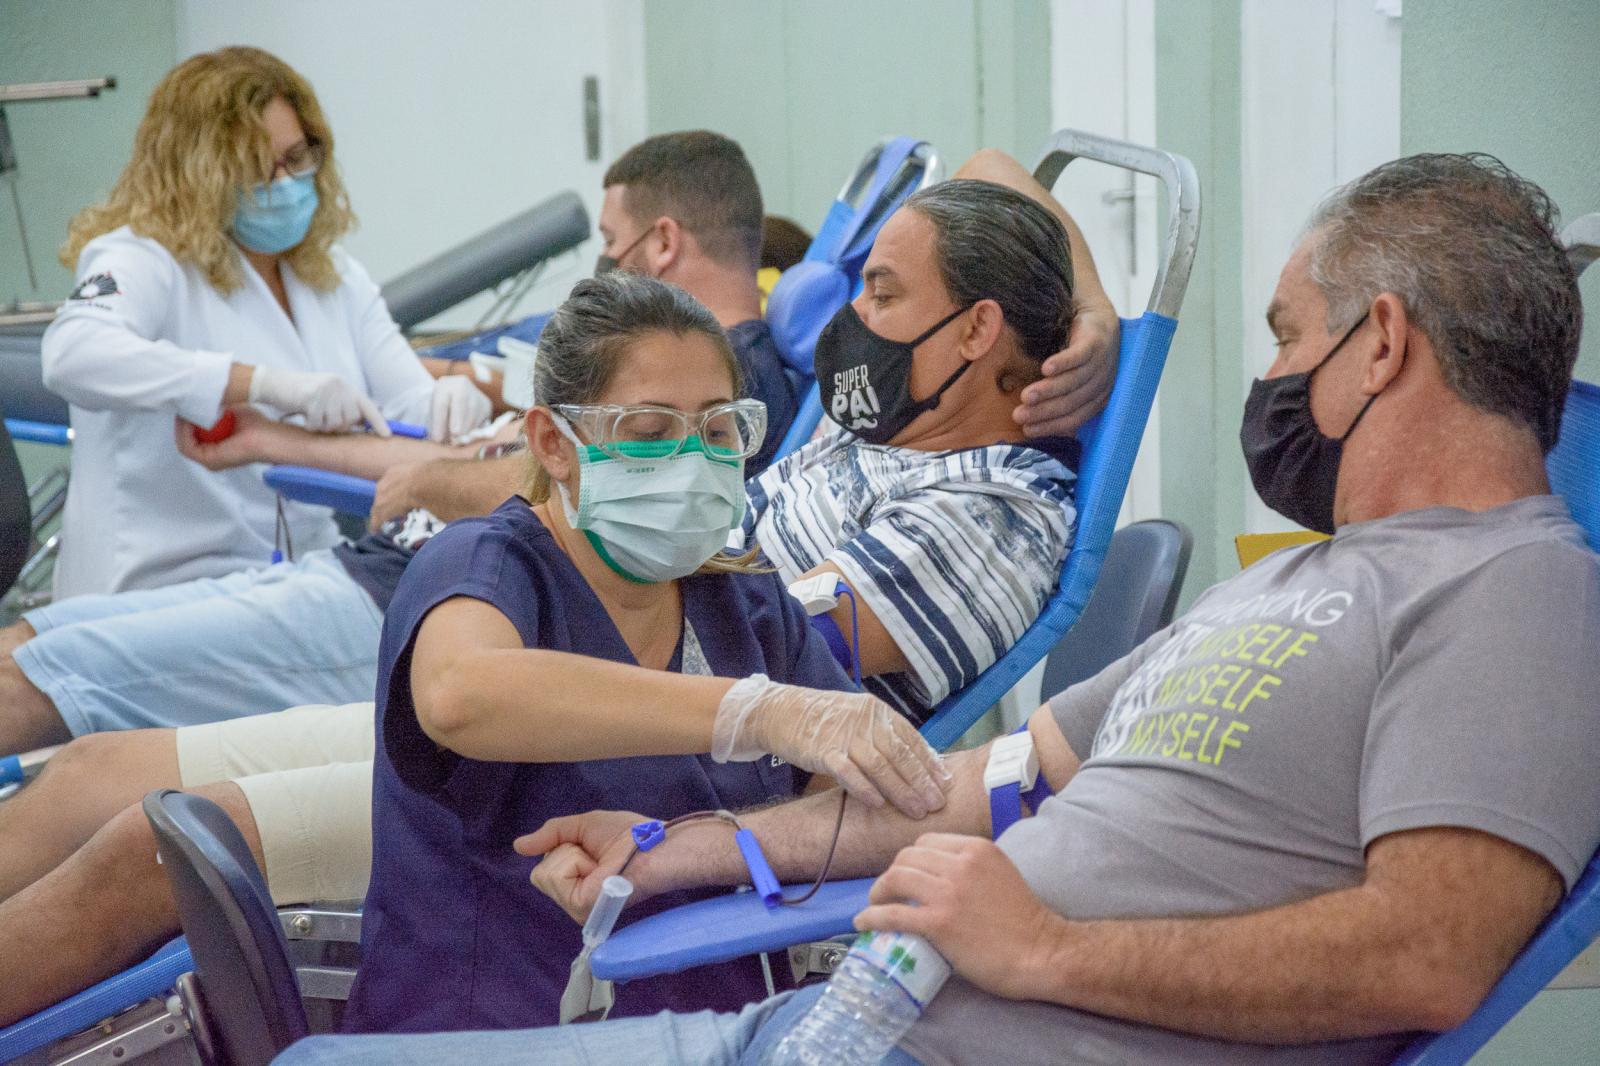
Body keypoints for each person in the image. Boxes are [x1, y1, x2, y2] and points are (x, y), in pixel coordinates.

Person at [279, 154, 1600, 1066]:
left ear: (1379, 343)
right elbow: (992, 779)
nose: (1272, 373)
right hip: (849, 1023)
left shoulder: (1515, 589)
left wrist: (1049, 950)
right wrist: (691, 843)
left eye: (1285, 332)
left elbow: (1428, 953)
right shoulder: (1295, 579)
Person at [0, 163, 1104, 1025]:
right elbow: (473, 689)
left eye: (719, 432)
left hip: (627, 764)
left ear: (978, 331)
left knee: (153, 843)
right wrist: (754, 706)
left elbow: (891, 770)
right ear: (556, 447)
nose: (846, 318)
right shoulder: (512, 562)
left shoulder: (974, 517)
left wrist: (746, 765)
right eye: (651, 434)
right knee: (96, 772)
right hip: (552, 688)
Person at [40, 46, 489, 600]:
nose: (286, 183)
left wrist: (446, 402)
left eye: (297, 158)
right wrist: (261, 384)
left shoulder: (329, 274)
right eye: (258, 170)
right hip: (159, 580)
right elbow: (73, 355)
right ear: (201, 175)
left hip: (301, 568)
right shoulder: (141, 257)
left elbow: (403, 403)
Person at [0, 410, 513, 756]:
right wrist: (272, 440)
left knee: (36, 683)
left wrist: (424, 480)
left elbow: (522, 477)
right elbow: (488, 461)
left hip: (396, 611)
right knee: (29, 640)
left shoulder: (583, 422)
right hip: (359, 566)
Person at [595, 130, 797, 476]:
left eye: (612, 241)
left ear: (663, 243)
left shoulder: (709, 384)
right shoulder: (751, 367)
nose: (606, 259)